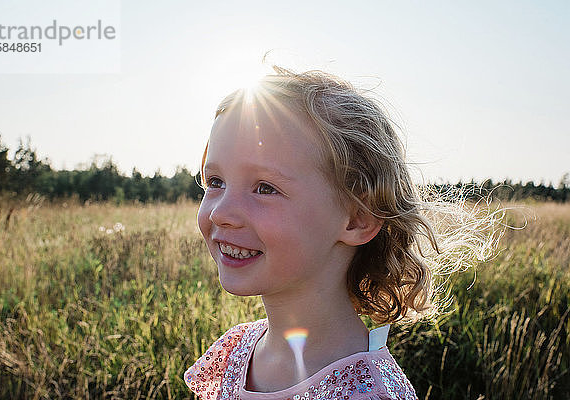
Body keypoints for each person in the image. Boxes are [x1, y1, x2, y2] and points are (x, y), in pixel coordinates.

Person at [184, 66, 500, 399]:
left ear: (358, 219)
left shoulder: (367, 393)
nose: (220, 213)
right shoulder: (235, 353)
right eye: (215, 182)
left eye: (265, 188)